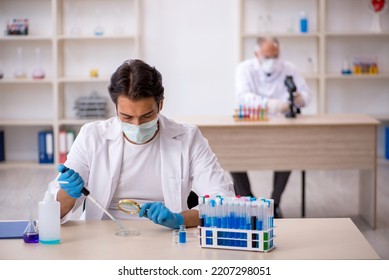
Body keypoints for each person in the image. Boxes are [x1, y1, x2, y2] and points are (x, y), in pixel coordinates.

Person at [50, 59, 235, 229]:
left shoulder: (188, 137)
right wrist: (67, 194)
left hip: (165, 235)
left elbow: (224, 200)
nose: (137, 125)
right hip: (103, 236)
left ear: (160, 105)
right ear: (116, 108)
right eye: (127, 117)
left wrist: (180, 219)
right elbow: (51, 214)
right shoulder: (91, 136)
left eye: (146, 116)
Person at [231, 36, 311, 218]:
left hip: (281, 127)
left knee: (288, 155)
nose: (272, 61)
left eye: (275, 55)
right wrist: (272, 105)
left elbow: (306, 95)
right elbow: (243, 96)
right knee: (233, 155)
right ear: (256, 54)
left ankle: (274, 204)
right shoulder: (244, 68)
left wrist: (299, 98)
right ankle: (248, 201)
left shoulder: (289, 68)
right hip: (251, 124)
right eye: (267, 56)